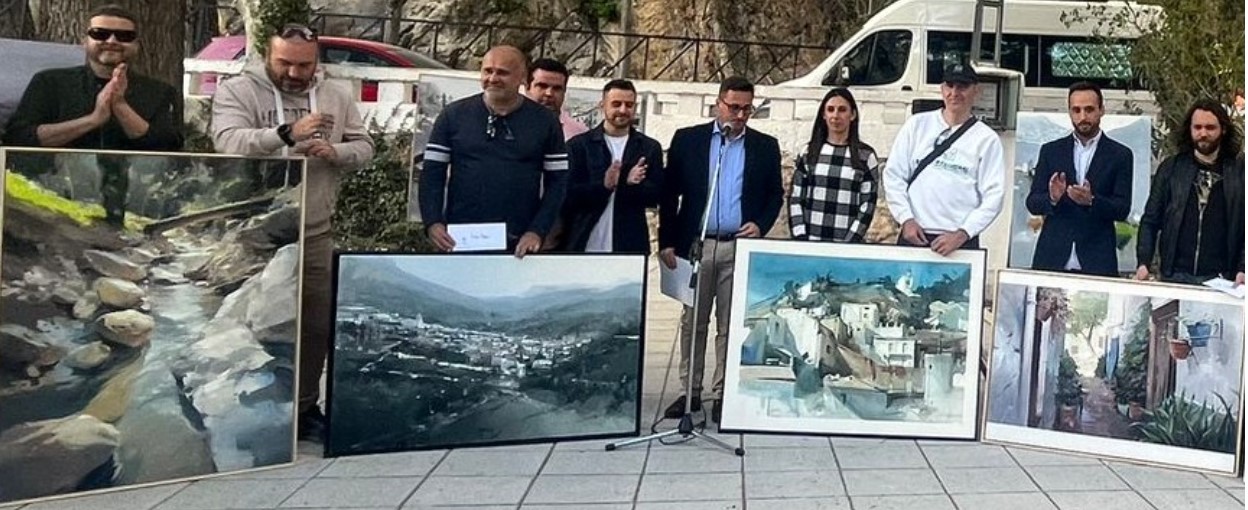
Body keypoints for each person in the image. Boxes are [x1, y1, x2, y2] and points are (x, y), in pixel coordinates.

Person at [210, 23, 375, 441]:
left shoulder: (335, 95)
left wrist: (335, 151)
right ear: (268, 53)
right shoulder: (238, 91)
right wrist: (284, 134)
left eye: (305, 64)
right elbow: (228, 143)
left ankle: (303, 409)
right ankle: (239, 404)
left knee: (314, 323)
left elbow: (365, 147)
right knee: (244, 320)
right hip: (254, 231)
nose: (295, 73)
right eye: (285, 62)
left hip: (314, 226)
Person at [658, 76, 783, 423]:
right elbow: (670, 195)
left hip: (737, 246)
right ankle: (690, 392)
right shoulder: (689, 140)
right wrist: (666, 241)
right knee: (692, 322)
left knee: (729, 325)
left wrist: (761, 223)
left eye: (747, 108)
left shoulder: (765, 146)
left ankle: (721, 392)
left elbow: (775, 194)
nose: (740, 115)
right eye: (734, 107)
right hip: (696, 246)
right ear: (718, 104)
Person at [2, 3, 182, 226]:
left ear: (136, 45)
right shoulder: (50, 82)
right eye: (100, 33)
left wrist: (120, 105)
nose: (112, 41)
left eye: (124, 36)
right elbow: (20, 139)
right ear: (85, 41)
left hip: (135, 211)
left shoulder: (160, 91)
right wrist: (93, 120)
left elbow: (170, 150)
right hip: (55, 207)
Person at [420, 45, 569, 256]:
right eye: (488, 71)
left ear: (522, 78)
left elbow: (558, 183)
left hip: (519, 243)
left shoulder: (546, 122)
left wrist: (537, 231)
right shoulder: (453, 116)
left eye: (502, 72)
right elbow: (432, 174)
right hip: (460, 239)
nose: (493, 78)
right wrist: (433, 222)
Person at [882, 62, 1005, 256]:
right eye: (950, 86)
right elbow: (893, 175)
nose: (954, 93)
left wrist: (963, 233)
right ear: (942, 88)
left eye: (962, 87)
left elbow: (994, 197)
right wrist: (905, 219)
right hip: (915, 233)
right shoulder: (917, 125)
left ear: (976, 91)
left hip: (958, 242)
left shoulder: (987, 139)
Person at [1025, 82, 1134, 277]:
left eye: (1089, 109)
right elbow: (1033, 203)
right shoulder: (1051, 151)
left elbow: (1122, 208)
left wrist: (1092, 201)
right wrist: (1052, 198)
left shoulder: (1120, 155)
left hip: (1097, 260)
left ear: (1102, 110)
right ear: (1069, 112)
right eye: (1076, 110)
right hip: (1053, 258)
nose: (1082, 117)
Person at [1136, 99, 1244, 286]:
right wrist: (1143, 262)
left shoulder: (1240, 172)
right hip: (1175, 276)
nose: (1203, 133)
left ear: (1223, 130)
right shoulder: (1171, 168)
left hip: (1223, 281)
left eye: (1210, 127)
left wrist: (1243, 268)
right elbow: (1150, 220)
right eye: (1198, 127)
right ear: (1190, 129)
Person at [558, 79, 664, 253]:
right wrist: (605, 185)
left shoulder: (649, 147)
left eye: (629, 105)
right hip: (583, 243)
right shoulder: (579, 146)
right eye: (616, 104)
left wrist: (628, 184)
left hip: (629, 245)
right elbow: (568, 195)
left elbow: (655, 195)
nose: (623, 110)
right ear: (602, 105)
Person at [789, 87, 878, 242]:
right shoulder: (808, 152)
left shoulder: (865, 156)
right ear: (823, 114)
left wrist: (850, 242)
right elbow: (796, 198)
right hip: (810, 242)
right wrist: (800, 238)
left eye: (842, 110)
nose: (836, 115)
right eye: (830, 110)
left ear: (853, 115)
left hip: (846, 246)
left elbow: (867, 205)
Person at [525, 57, 589, 141]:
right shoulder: (508, 126)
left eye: (557, 88)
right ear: (527, 87)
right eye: (542, 86)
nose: (549, 93)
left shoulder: (579, 134)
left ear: (564, 91)